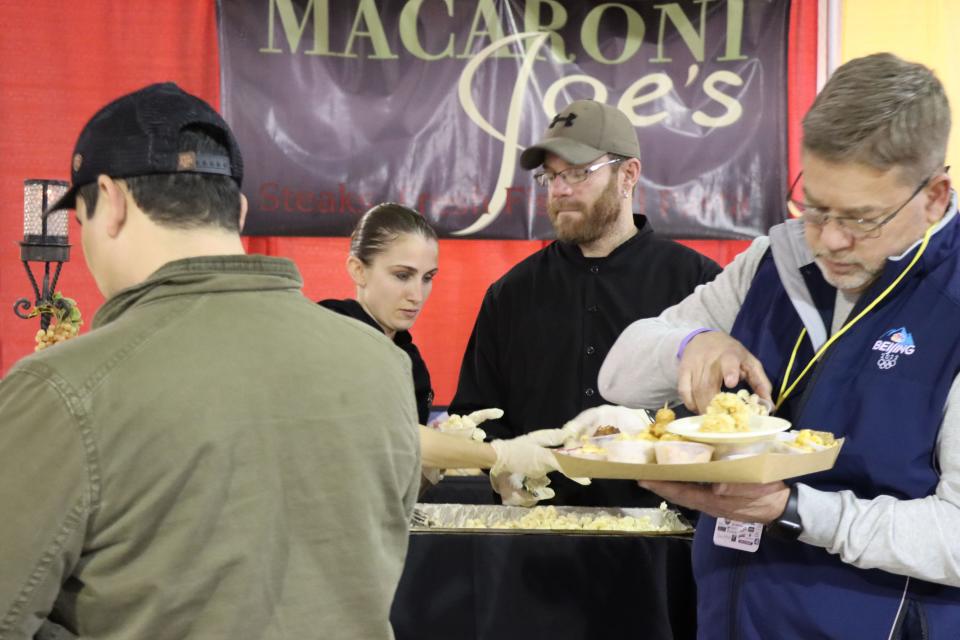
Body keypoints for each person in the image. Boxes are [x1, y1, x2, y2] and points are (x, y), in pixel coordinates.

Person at [0, 83, 423, 640]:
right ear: (239, 211)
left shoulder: (62, 388)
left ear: (111, 201)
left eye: (81, 219)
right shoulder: (383, 365)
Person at [599, 52, 960, 639]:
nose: (830, 241)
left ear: (935, 197)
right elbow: (620, 373)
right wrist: (692, 344)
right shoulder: (776, 260)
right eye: (814, 205)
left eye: (862, 218)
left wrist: (793, 511)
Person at [449, 99, 722, 506]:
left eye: (578, 173)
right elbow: (478, 417)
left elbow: (732, 418)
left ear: (628, 174)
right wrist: (500, 469)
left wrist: (654, 425)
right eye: (551, 176)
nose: (559, 190)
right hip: (538, 542)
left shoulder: (698, 284)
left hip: (667, 541)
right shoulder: (511, 294)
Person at [321, 202, 575, 504]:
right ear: (358, 269)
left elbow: (398, 494)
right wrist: (500, 454)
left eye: (427, 278)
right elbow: (388, 434)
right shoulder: (328, 333)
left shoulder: (411, 364)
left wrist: (436, 461)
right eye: (402, 275)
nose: (416, 295)